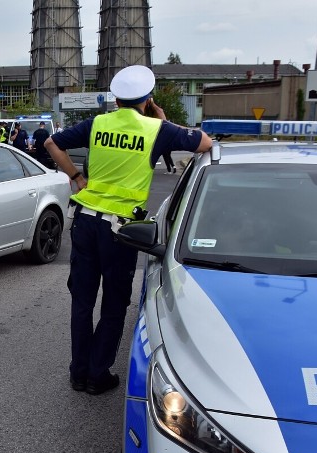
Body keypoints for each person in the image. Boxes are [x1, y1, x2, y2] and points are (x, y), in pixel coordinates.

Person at [44, 65, 212, 395]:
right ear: (148, 100)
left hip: (85, 221)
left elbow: (51, 143)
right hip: (120, 232)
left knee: (82, 301)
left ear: (116, 99)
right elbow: (204, 143)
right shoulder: (155, 129)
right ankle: (97, 374)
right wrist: (162, 120)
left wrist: (78, 178)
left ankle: (78, 372)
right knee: (114, 304)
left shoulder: (98, 123)